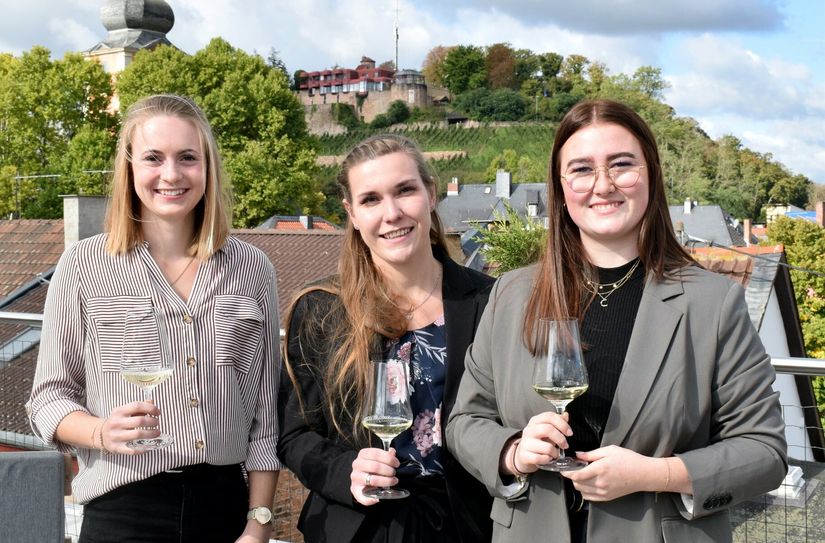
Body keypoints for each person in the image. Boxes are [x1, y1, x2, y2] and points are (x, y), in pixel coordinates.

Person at [446, 99, 787, 543]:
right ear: (561, 186)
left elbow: (765, 451)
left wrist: (656, 474)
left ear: (650, 175)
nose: (602, 185)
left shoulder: (713, 302)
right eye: (582, 169)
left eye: (621, 165)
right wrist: (511, 451)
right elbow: (464, 421)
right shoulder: (511, 293)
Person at [28, 94, 281, 543]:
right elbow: (48, 399)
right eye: (152, 158)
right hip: (122, 508)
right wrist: (102, 431)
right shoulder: (83, 265)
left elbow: (265, 414)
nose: (171, 174)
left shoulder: (252, 268)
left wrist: (258, 522)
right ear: (129, 168)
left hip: (224, 508)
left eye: (188, 157)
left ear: (208, 168)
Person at [277, 134, 494, 543]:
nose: (391, 213)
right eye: (371, 199)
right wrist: (347, 471)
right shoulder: (322, 308)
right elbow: (294, 433)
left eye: (405, 191)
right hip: (360, 528)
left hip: (473, 526)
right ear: (352, 214)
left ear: (431, 194)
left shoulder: (491, 301)